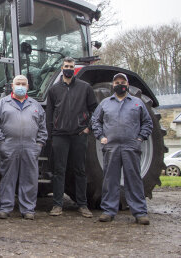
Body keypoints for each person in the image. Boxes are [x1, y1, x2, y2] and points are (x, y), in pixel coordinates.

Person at [91, 73, 153, 225]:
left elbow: (147, 123)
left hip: (131, 146)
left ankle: (140, 213)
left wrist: (140, 138)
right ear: (113, 85)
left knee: (134, 179)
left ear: (127, 84)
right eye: (117, 82)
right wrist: (100, 137)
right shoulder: (105, 103)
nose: (120, 84)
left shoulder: (137, 103)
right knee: (110, 179)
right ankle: (108, 211)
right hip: (111, 147)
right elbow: (95, 121)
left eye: (122, 82)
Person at [0, 75, 47, 220]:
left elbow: (43, 127)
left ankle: (28, 209)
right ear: (12, 86)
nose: (20, 86)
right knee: (8, 178)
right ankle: (5, 207)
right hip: (10, 145)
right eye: (18, 83)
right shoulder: (3, 103)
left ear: (28, 87)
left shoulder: (35, 105)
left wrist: (39, 145)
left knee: (29, 178)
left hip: (30, 146)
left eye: (23, 84)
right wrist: (1, 142)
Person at [46, 57, 97, 218]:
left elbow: (95, 110)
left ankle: (82, 205)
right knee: (59, 171)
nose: (69, 69)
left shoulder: (85, 88)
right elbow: (49, 114)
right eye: (66, 66)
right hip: (60, 135)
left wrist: (88, 128)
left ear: (75, 69)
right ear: (62, 68)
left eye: (71, 66)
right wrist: (52, 133)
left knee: (80, 170)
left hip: (78, 134)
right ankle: (57, 205)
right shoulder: (54, 90)